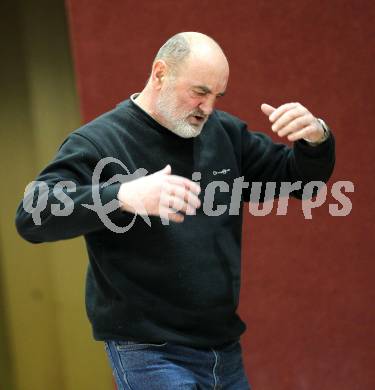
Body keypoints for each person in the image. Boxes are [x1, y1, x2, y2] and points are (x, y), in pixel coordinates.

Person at [15, 32, 335, 389]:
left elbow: (300, 182)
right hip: (149, 350)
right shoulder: (100, 142)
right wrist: (122, 195)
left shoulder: (224, 133)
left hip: (222, 345)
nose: (208, 108)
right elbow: (33, 214)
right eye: (199, 92)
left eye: (217, 96)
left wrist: (315, 140)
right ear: (160, 73)